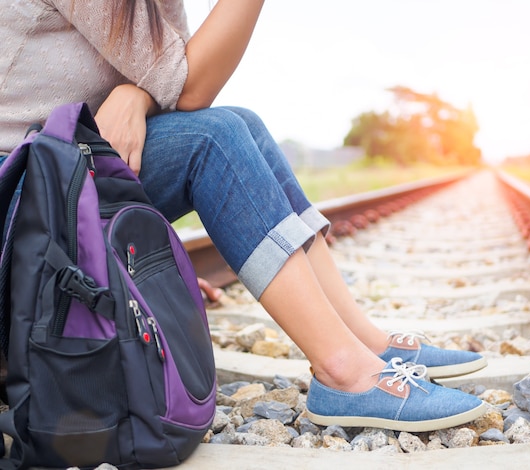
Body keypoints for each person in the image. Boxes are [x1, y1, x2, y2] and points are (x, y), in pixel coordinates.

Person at [0, 0, 488, 431]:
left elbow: (175, 79)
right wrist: (147, 90)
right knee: (214, 139)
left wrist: (139, 94)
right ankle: (343, 371)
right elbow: (188, 87)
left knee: (241, 125)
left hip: (57, 185)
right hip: (17, 204)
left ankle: (367, 343)